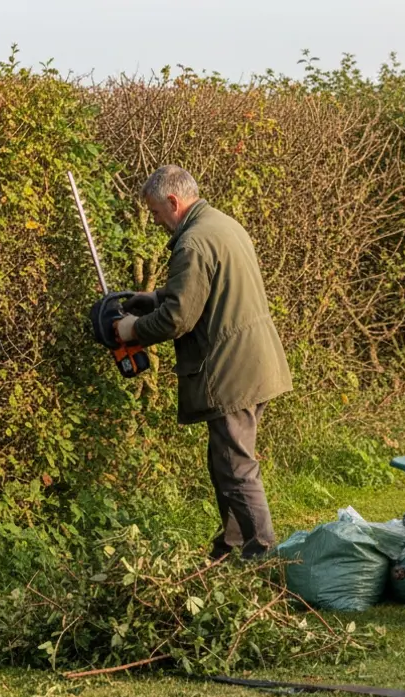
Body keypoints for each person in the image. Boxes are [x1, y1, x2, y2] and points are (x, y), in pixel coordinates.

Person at [116, 165, 293, 559]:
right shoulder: (222, 225)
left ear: (173, 202)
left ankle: (264, 559)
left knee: (235, 468)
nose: (156, 221)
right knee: (224, 462)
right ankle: (228, 549)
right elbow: (206, 290)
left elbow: (178, 319)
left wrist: (132, 330)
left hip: (232, 370)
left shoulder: (193, 242)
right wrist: (155, 298)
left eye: (156, 212)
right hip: (256, 362)